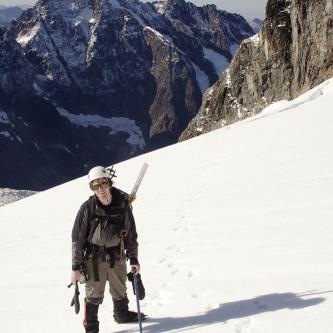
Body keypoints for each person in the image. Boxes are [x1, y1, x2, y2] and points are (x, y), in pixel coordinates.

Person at [71, 165, 145, 333]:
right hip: (93, 259)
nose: (100, 190)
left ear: (109, 183)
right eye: (95, 186)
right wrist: (75, 267)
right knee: (94, 293)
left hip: (117, 255)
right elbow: (77, 239)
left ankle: (122, 315)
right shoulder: (88, 208)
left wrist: (133, 259)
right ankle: (91, 328)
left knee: (120, 288)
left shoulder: (123, 205)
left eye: (103, 184)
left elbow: (131, 235)